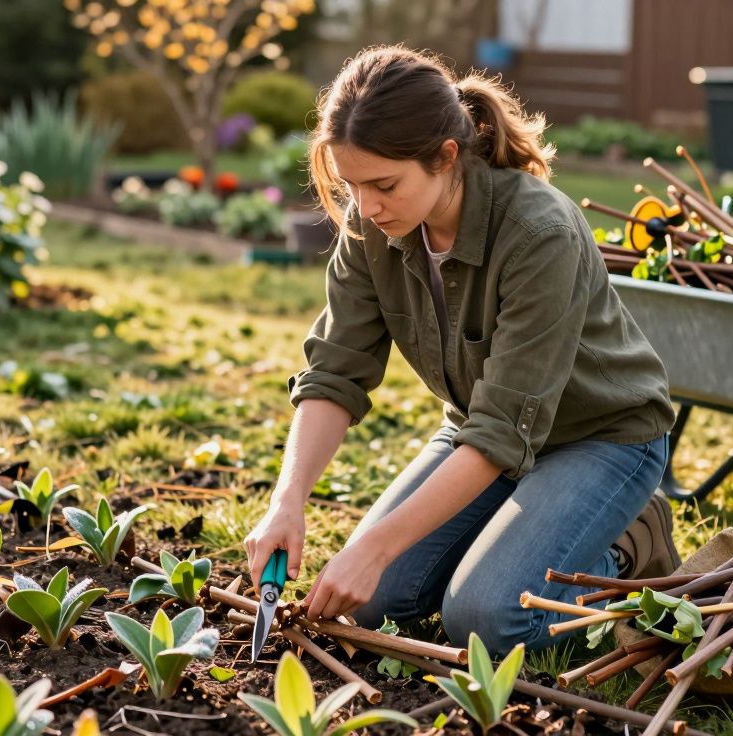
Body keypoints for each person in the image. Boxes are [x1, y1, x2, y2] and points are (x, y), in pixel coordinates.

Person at [242, 46, 680, 654]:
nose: (365, 207)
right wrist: (286, 501)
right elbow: (335, 373)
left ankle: (628, 548)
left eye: (384, 185)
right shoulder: (372, 227)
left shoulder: (539, 233)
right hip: (481, 434)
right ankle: (513, 542)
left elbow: (504, 427)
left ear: (446, 156)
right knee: (370, 601)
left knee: (486, 619)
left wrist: (376, 547)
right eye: (351, 185)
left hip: (600, 438)